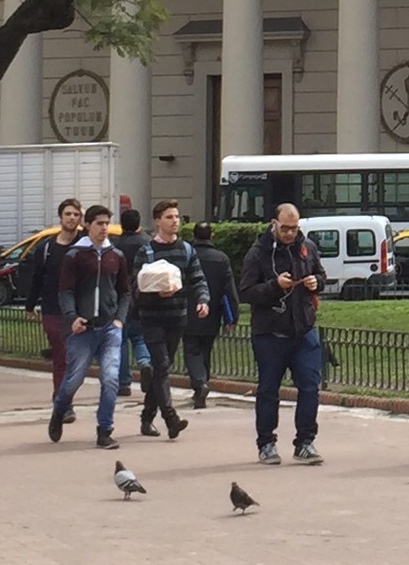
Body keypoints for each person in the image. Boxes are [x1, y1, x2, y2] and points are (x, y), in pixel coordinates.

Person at [239, 202, 329, 466]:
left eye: (294, 228)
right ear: (274, 223)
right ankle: (266, 443)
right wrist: (274, 286)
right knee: (268, 390)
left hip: (304, 331)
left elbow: (321, 274)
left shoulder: (307, 247)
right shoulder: (258, 253)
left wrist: (316, 282)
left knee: (310, 387)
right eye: (285, 228)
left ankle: (305, 442)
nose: (290, 233)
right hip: (270, 333)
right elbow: (246, 292)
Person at [49, 204, 129, 450]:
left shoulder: (116, 255)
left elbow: (125, 291)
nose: (104, 228)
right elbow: (65, 291)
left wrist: (119, 320)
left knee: (110, 378)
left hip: (109, 328)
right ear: (88, 225)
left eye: (107, 223)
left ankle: (105, 429)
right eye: (99, 223)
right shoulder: (75, 255)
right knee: (74, 379)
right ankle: (60, 408)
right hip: (82, 329)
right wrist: (72, 317)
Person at [131, 199, 209, 440]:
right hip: (152, 318)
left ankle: (146, 418)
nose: (174, 221)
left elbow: (197, 278)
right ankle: (170, 418)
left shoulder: (186, 249)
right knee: (162, 365)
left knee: (160, 369)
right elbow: (135, 287)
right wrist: (154, 292)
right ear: (157, 221)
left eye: (176, 217)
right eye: (169, 217)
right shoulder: (146, 252)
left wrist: (203, 299)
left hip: (177, 317)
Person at [22, 198, 83, 406]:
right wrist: (30, 305)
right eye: (68, 214)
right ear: (60, 217)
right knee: (61, 354)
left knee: (74, 358)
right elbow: (37, 278)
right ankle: (62, 401)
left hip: (79, 310)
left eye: (76, 214)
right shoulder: (46, 248)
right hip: (53, 309)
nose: (72, 218)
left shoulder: (86, 246)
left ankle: (64, 396)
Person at [182, 220, 239, 410]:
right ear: (211, 236)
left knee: (191, 349)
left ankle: (199, 383)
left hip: (188, 311)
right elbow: (229, 289)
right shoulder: (221, 258)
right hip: (213, 312)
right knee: (206, 349)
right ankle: (203, 382)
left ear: (193, 237)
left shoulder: (187, 255)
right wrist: (232, 316)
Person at [113, 207, 152, 399]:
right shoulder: (146, 243)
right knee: (140, 337)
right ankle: (145, 363)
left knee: (121, 341)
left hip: (120, 297)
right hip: (141, 295)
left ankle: (123, 383)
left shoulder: (115, 245)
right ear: (138, 224)